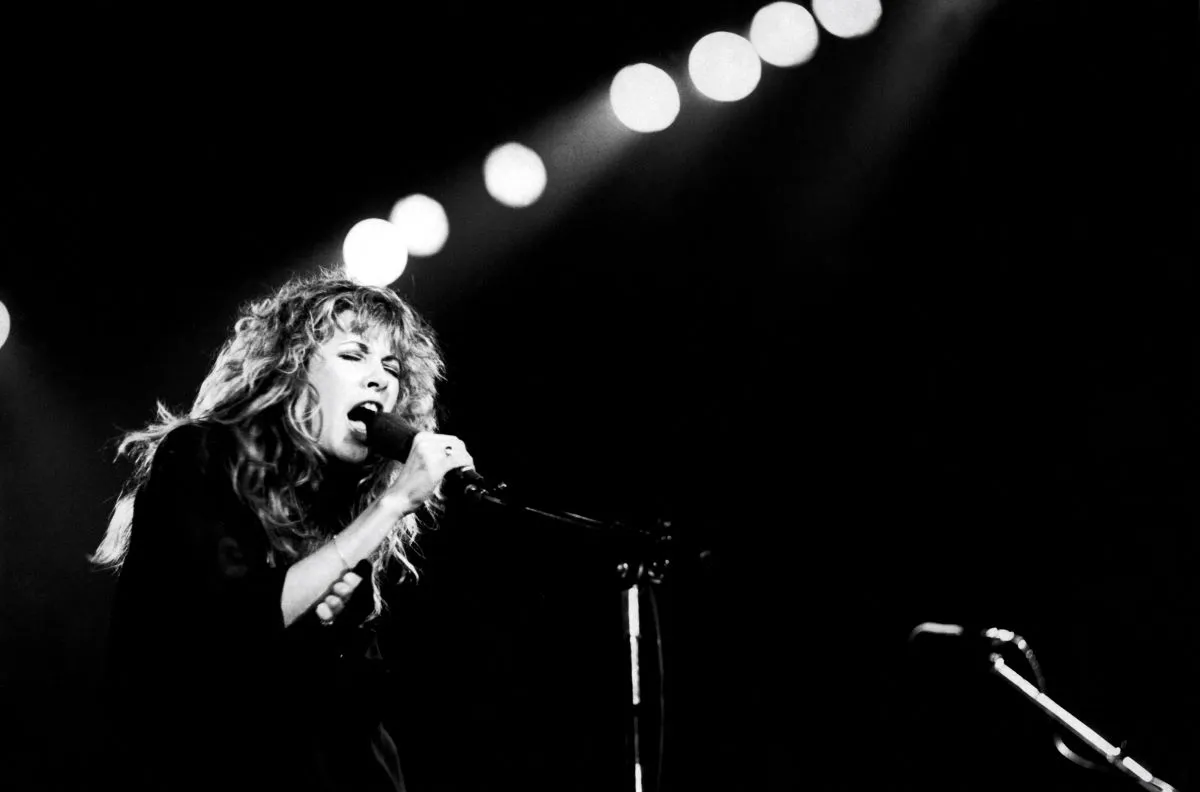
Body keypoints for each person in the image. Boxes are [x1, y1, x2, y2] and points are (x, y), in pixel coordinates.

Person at [92, 269, 473, 791]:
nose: (381, 378)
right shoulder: (203, 458)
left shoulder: (343, 506)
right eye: (352, 354)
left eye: (392, 366)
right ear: (291, 370)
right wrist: (392, 504)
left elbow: (350, 720)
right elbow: (236, 628)